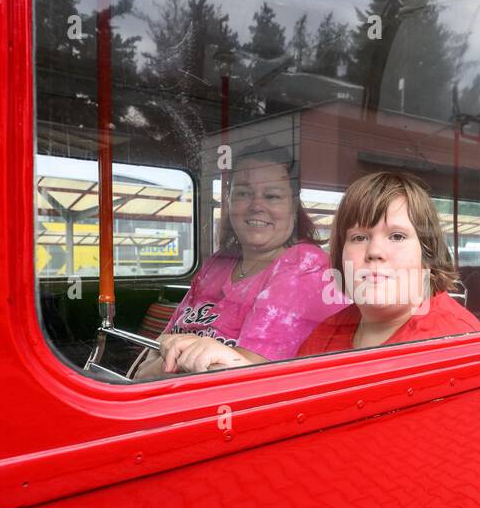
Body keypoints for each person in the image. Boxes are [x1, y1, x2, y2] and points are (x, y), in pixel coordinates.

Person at [130, 144, 333, 377]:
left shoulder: (306, 267)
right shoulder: (218, 262)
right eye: (243, 193)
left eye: (272, 196)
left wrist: (158, 368)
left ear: (293, 206)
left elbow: (244, 376)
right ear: (228, 201)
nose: (256, 206)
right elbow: (160, 345)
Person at [295, 170, 480, 355]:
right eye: (359, 238)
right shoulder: (323, 336)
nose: (375, 251)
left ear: (427, 255)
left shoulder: (456, 343)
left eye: (397, 236)